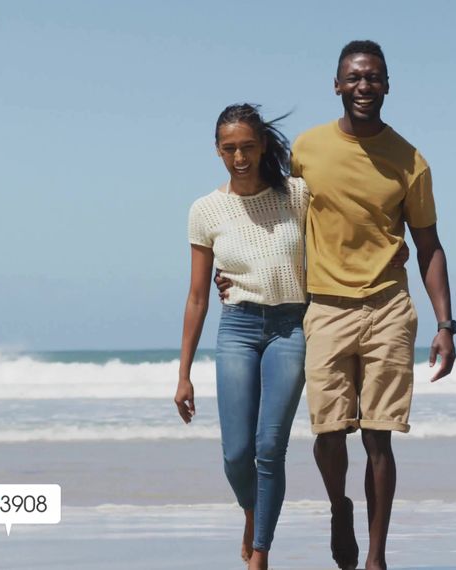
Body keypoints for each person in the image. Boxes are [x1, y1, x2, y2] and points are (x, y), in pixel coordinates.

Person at [217, 40, 456, 570]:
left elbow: (429, 245)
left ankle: (376, 557)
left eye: (373, 77)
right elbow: (261, 205)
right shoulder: (306, 150)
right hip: (323, 308)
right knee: (327, 436)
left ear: (388, 85)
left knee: (379, 438)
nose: (364, 86)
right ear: (337, 85)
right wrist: (233, 266)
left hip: (389, 306)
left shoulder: (410, 162)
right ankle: (339, 507)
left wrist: (445, 322)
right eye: (354, 77)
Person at [175, 103, 409, 570]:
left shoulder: (297, 195)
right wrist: (182, 375)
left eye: (247, 146)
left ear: (263, 145)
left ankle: (260, 552)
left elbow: (346, 225)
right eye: (229, 149)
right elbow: (198, 295)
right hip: (238, 328)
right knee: (237, 454)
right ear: (217, 151)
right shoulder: (205, 210)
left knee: (269, 446)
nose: (239, 157)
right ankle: (251, 513)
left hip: (291, 327)